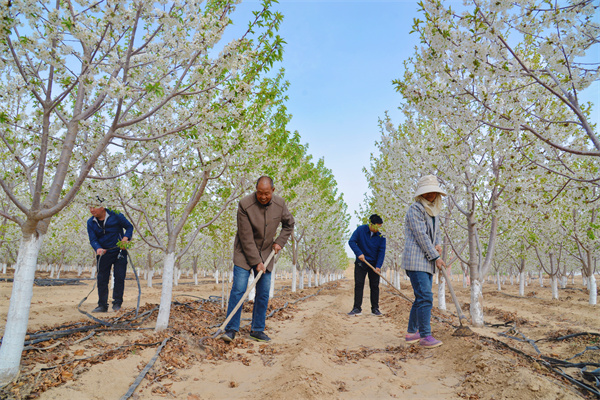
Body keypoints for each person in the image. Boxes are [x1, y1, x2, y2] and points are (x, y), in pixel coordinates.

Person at [221, 176, 295, 342]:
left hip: (267, 254)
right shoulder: (244, 205)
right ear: (255, 190)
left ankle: (257, 329)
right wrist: (256, 263)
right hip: (244, 253)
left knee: (262, 293)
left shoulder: (280, 204)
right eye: (260, 193)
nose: (263, 197)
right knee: (239, 290)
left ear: (273, 191)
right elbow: (245, 237)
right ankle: (231, 329)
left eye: (266, 193)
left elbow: (289, 224)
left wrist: (280, 242)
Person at [402, 175, 447, 348]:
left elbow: (436, 233)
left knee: (420, 298)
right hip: (416, 260)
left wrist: (437, 245)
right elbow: (421, 235)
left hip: (426, 261)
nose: (430, 195)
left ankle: (412, 332)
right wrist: (435, 256)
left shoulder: (433, 211)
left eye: (433, 192)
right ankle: (425, 336)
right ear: (421, 194)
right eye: (427, 192)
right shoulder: (416, 209)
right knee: (426, 296)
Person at [87, 200, 133, 313]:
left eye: (94, 207)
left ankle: (117, 303)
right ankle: (102, 305)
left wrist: (125, 239)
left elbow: (129, 227)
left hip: (119, 251)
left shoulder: (116, 215)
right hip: (103, 253)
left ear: (102, 207)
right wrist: (97, 248)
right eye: (90, 207)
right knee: (102, 279)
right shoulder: (90, 222)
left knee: (119, 277)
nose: (92, 210)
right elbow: (93, 239)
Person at [348, 214, 386, 317]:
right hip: (361, 263)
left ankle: (375, 309)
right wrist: (359, 253)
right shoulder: (360, 230)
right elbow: (351, 241)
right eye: (377, 226)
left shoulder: (381, 235)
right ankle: (357, 308)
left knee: (374, 286)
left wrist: (378, 266)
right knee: (359, 284)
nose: (378, 229)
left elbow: (382, 251)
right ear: (371, 224)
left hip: (373, 264)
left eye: (380, 227)